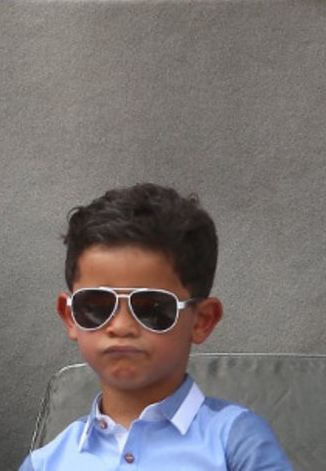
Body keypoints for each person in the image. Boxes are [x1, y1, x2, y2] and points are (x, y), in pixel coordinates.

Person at [19, 183, 291, 471]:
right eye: (97, 306)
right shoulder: (46, 463)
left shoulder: (236, 442)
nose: (121, 326)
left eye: (151, 308)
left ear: (202, 320)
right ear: (70, 316)